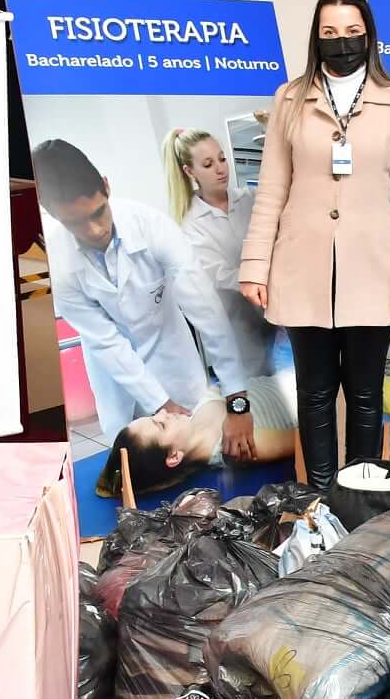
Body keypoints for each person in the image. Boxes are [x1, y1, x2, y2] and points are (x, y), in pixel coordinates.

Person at [240, 0, 390, 492]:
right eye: (329, 33)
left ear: (368, 36)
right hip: (303, 270)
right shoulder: (290, 99)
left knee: (366, 394)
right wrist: (255, 266)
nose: (340, 42)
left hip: (375, 272)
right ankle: (319, 503)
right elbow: (272, 190)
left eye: (350, 32)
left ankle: (360, 501)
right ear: (315, 38)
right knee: (315, 393)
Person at [33, 137, 256, 459]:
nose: (94, 229)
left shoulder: (151, 226)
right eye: (76, 222)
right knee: (136, 464)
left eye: (98, 212)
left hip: (174, 357)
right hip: (116, 377)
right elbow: (107, 343)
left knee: (207, 454)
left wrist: (238, 400)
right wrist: (160, 405)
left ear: (106, 187)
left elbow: (207, 312)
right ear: (51, 213)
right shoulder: (58, 263)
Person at [164, 125, 276, 377]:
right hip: (235, 329)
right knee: (259, 399)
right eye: (208, 164)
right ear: (189, 171)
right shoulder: (190, 223)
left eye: (222, 159)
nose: (220, 168)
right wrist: (269, 283)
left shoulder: (250, 199)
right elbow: (220, 274)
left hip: (272, 315)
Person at [96, 366, 299, 499]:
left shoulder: (192, 410)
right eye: (161, 425)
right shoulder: (233, 447)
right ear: (174, 456)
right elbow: (303, 439)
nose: (164, 413)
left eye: (154, 416)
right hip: (318, 391)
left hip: (298, 370)